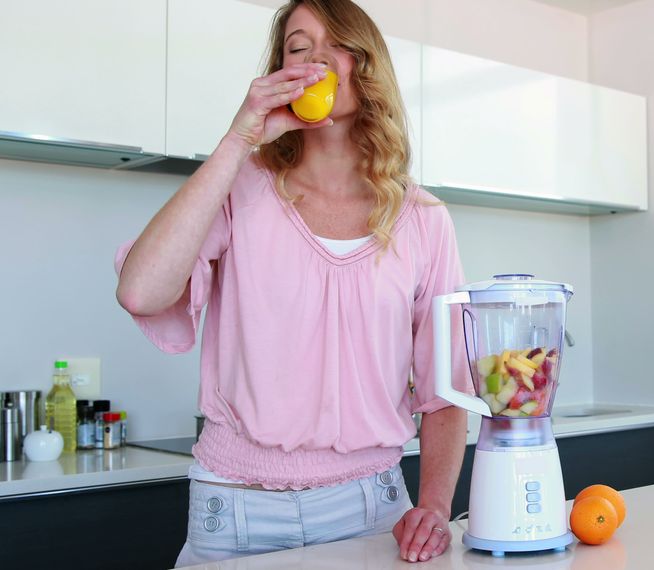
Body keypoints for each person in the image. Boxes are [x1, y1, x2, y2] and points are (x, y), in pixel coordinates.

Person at [114, 0, 472, 565]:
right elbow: (141, 291)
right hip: (234, 508)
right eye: (299, 48)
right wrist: (238, 139)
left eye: (337, 47)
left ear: (366, 64)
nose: (316, 63)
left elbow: (445, 387)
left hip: (373, 508)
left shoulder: (425, 219)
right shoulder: (242, 188)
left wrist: (432, 504)